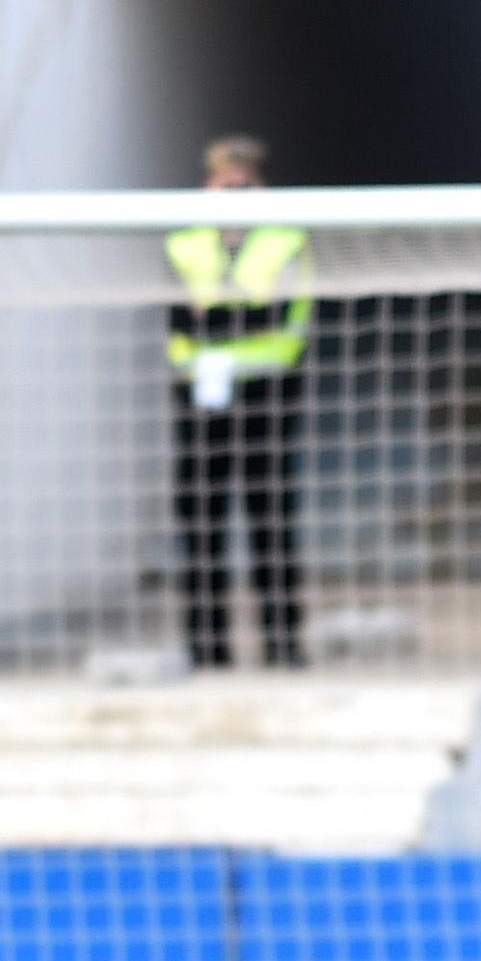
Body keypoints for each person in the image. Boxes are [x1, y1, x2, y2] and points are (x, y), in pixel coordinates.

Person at [165, 135, 313, 668]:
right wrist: (245, 312)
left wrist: (219, 317)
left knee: (271, 522)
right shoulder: (183, 242)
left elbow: (284, 318)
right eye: (226, 182)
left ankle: (283, 643)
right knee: (201, 524)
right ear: (208, 186)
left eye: (245, 182)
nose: (235, 191)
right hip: (201, 401)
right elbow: (179, 321)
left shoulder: (285, 239)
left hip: (267, 398)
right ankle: (207, 648)